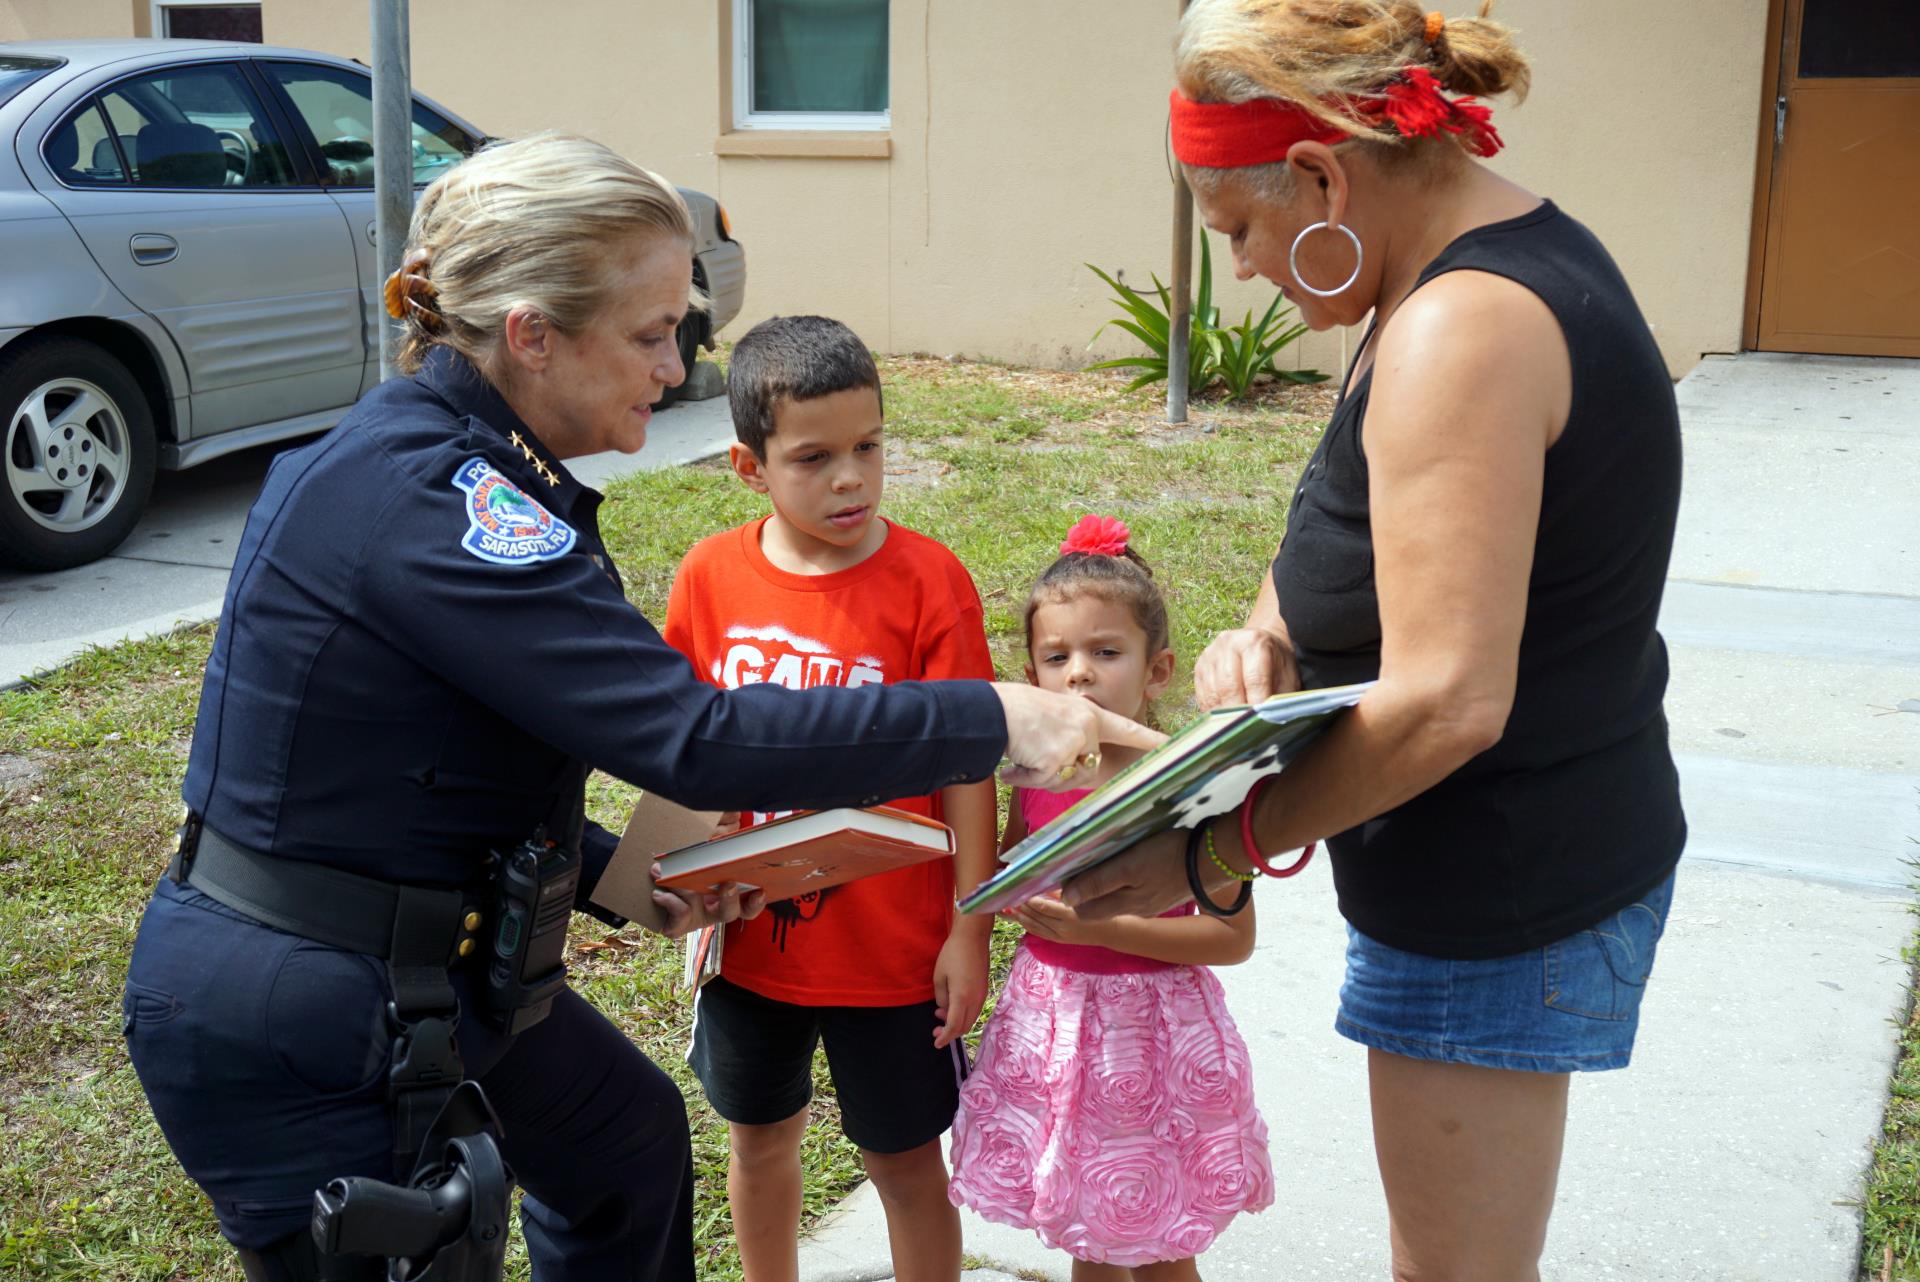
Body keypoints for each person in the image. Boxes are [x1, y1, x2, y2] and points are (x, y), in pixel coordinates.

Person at [118, 133, 1153, 1282]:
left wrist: (628, 878)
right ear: (532, 334)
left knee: (628, 1142)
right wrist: (991, 718)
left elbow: (434, 763)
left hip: (432, 960)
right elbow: (695, 737)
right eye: (653, 335)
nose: (676, 369)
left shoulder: (461, 467)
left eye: (682, 332)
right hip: (306, 1009)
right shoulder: (435, 501)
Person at [1062, 6, 1686, 1280]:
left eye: (1235, 230)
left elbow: (1451, 700)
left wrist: (1210, 845)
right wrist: (1264, 636)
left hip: (1495, 890)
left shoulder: (1463, 330)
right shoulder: (1451, 269)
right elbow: (1365, 541)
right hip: (1495, 863)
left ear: (1320, 177)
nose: (1238, 270)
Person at [660, 314, 999, 1282]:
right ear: (748, 465)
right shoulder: (709, 575)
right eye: (814, 457)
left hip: (893, 953)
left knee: (901, 1161)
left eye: (868, 447)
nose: (849, 477)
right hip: (748, 945)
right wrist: (686, 877)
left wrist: (968, 928)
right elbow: (682, 748)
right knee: (759, 1140)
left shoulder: (931, 583)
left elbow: (969, 765)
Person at [949, 516, 1271, 1282]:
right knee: (1086, 1237)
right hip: (1055, 1026)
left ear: (1156, 670)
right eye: (1055, 657)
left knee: (1161, 1248)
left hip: (1152, 1036)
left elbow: (1232, 939)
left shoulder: (1191, 783)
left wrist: (1104, 925)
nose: (1079, 675)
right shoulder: (1030, 777)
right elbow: (1005, 871)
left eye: (1105, 652)